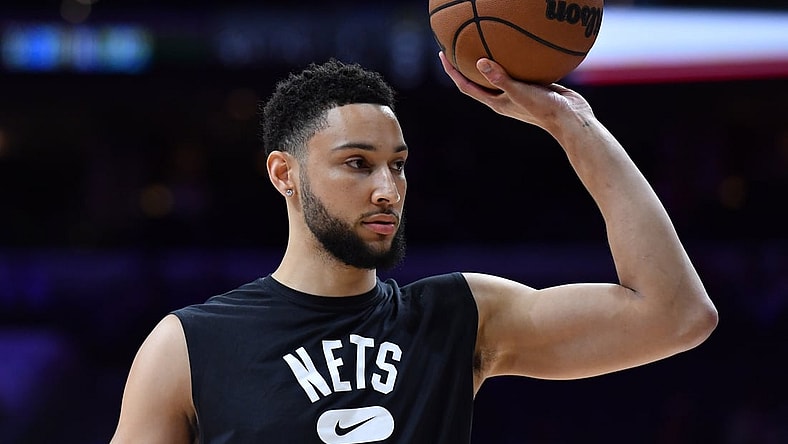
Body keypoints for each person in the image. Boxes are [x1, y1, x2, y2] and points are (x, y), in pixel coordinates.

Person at [109, 53, 718, 443]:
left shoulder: (459, 316)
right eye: (357, 164)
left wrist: (571, 125)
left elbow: (675, 315)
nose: (386, 189)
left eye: (397, 166)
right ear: (283, 175)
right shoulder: (188, 345)